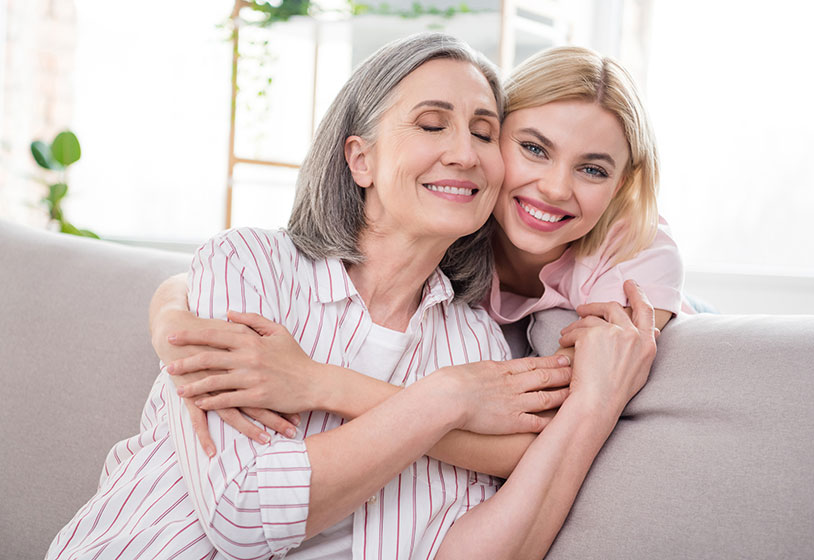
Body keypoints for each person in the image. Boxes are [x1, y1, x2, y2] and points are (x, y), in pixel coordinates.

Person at [47, 33, 655, 560]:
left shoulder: (474, 341)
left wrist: (596, 402)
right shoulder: (251, 267)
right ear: (360, 159)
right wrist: (445, 399)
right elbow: (242, 511)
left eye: (483, 131)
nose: (464, 152)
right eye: (431, 123)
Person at [150, 44, 685, 457]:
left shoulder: (636, 252)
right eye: (533, 148)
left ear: (622, 184)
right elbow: (243, 265)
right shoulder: (451, 219)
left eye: (593, 169)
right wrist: (172, 320)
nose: (554, 187)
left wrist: (316, 382)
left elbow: (540, 428)